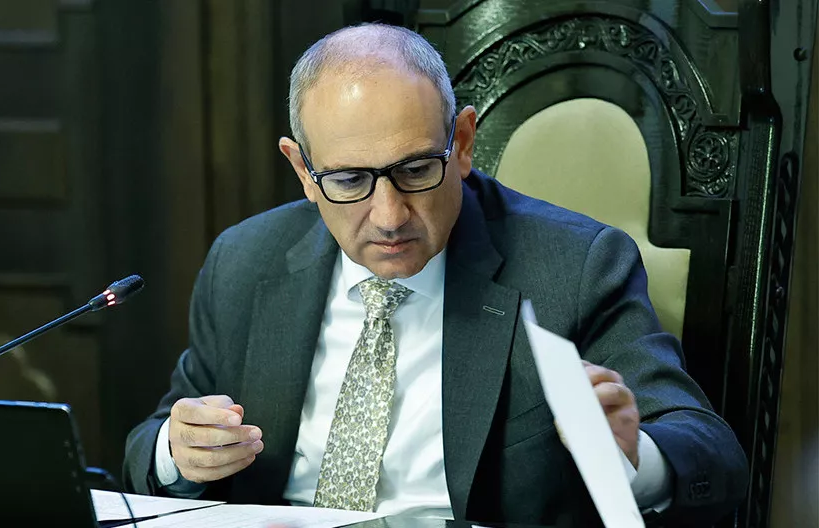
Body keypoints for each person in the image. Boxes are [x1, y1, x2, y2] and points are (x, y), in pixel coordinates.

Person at [124, 23, 747, 526]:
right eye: (349, 180)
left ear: (464, 142)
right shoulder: (245, 260)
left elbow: (712, 455)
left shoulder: (577, 266)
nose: (389, 216)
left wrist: (632, 458)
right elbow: (154, 441)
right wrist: (178, 451)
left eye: (417, 169)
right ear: (303, 171)